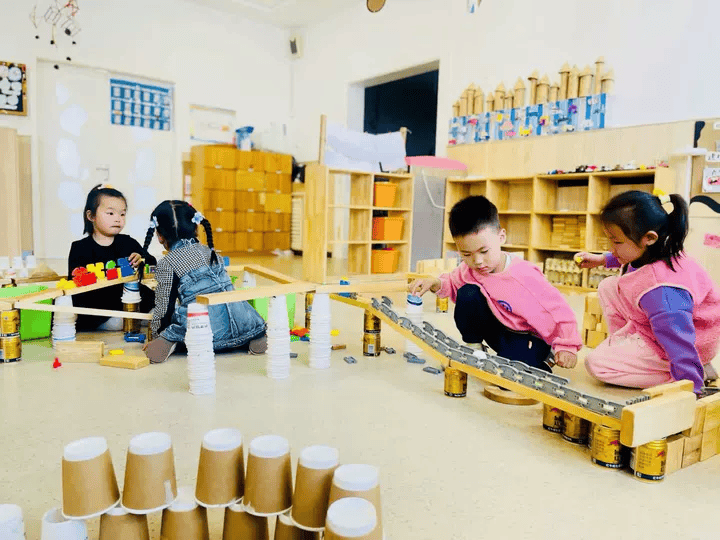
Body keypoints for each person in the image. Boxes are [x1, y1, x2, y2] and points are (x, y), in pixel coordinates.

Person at [409, 195, 581, 371]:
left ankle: (543, 360)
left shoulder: (525, 275)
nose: (477, 261)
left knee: (514, 371)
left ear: (501, 237)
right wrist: (434, 283)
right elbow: (452, 283)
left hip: (528, 337)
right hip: (500, 331)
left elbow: (560, 311)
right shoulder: (469, 270)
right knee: (467, 293)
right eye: (466, 254)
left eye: (484, 251)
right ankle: (474, 349)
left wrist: (567, 346)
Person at [575, 190, 720, 395]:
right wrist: (603, 259)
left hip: (688, 344)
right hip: (673, 328)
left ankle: (686, 372)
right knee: (608, 286)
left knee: (596, 364)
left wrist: (690, 387)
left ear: (649, 238)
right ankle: (630, 347)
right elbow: (632, 257)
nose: (612, 248)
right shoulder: (660, 247)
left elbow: (680, 343)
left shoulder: (661, 292)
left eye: (616, 242)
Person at [140, 200, 267, 364]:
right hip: (244, 323)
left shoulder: (168, 262)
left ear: (159, 236)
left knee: (180, 322)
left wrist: (158, 335)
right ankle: (254, 337)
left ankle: (173, 343)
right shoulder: (211, 252)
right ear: (196, 229)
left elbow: (164, 307)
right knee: (242, 313)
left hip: (204, 332)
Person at [68, 184, 156, 331]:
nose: (118, 219)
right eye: (110, 213)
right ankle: (132, 320)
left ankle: (140, 318)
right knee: (116, 322)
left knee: (158, 309)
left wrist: (141, 258)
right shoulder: (80, 248)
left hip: (130, 300)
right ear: (91, 216)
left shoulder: (127, 242)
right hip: (100, 306)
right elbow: (76, 286)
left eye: (122, 214)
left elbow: (151, 262)